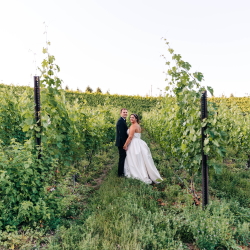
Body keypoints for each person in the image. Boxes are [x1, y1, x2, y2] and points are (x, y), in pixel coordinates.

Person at [123, 114, 162, 184]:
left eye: (133, 117)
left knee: (134, 159)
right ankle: (145, 173)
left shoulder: (133, 126)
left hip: (134, 143)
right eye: (130, 117)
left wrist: (125, 145)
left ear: (136, 119)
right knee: (140, 159)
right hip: (139, 142)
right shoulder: (138, 125)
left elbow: (130, 137)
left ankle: (138, 173)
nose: (131, 119)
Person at [115, 108, 128, 177]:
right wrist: (125, 145)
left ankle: (121, 171)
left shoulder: (123, 120)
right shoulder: (120, 121)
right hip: (121, 143)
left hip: (121, 142)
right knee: (122, 157)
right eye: (124, 112)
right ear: (121, 113)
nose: (125, 113)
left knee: (123, 157)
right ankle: (120, 173)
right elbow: (122, 135)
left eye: (126, 112)